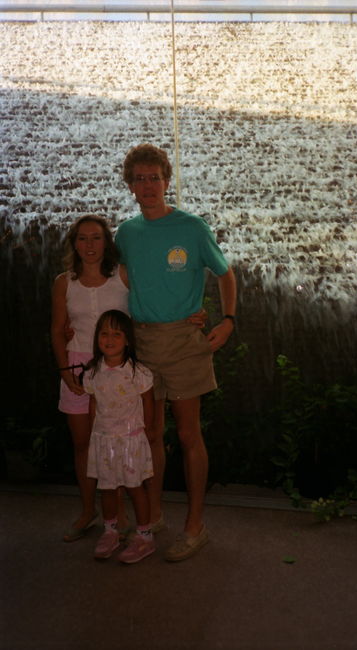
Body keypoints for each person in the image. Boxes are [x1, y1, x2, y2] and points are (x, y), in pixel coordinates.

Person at [116, 143, 237, 562]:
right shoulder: (126, 233)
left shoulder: (192, 227)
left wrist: (227, 320)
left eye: (155, 177)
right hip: (144, 342)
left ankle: (195, 525)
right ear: (130, 185)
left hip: (185, 346)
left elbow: (224, 273)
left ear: (167, 181)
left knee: (188, 435)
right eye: (140, 179)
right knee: (150, 435)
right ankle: (153, 517)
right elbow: (128, 281)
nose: (148, 186)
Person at [51, 215, 130, 542]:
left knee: (116, 444)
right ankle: (88, 511)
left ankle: (120, 515)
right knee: (83, 444)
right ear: (74, 244)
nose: (89, 245)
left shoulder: (123, 277)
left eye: (96, 238)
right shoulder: (63, 282)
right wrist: (65, 371)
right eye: (82, 239)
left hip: (115, 368)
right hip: (77, 368)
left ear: (106, 242)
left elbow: (139, 320)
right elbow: (57, 330)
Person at [82, 310, 155, 563]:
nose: (109, 339)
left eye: (116, 334)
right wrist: (94, 430)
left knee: (135, 487)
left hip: (130, 439)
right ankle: (111, 531)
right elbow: (93, 403)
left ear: (127, 340)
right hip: (104, 439)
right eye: (104, 333)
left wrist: (151, 429)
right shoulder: (92, 372)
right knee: (108, 489)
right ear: (97, 338)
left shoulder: (137, 372)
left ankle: (145, 535)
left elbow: (147, 399)